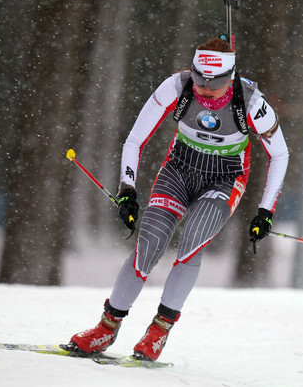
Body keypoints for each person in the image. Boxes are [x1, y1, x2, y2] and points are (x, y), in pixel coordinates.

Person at [69, 37, 289, 361]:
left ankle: (158, 331)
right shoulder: (177, 86)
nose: (204, 88)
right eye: (199, 77)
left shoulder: (252, 103)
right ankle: (106, 327)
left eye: (213, 82)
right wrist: (127, 189)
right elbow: (135, 139)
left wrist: (265, 211)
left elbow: (280, 155)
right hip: (180, 170)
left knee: (193, 239)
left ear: (231, 76)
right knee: (150, 241)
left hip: (225, 180)